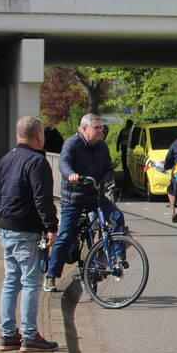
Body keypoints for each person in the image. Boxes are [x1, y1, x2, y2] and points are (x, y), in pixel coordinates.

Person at [0, 116, 59, 352]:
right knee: (31, 282)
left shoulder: (6, 159)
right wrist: (51, 227)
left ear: (17, 135)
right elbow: (42, 199)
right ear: (40, 136)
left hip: (5, 226)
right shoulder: (37, 162)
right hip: (26, 230)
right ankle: (30, 336)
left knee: (11, 281)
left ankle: (7, 333)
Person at [44, 114, 126, 292]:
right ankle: (51, 276)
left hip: (94, 195)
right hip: (73, 199)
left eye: (101, 128)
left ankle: (118, 258)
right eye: (96, 128)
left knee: (117, 217)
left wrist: (105, 179)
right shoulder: (71, 144)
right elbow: (63, 163)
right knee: (65, 236)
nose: (101, 131)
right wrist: (70, 174)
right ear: (83, 129)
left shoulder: (102, 146)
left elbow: (109, 169)